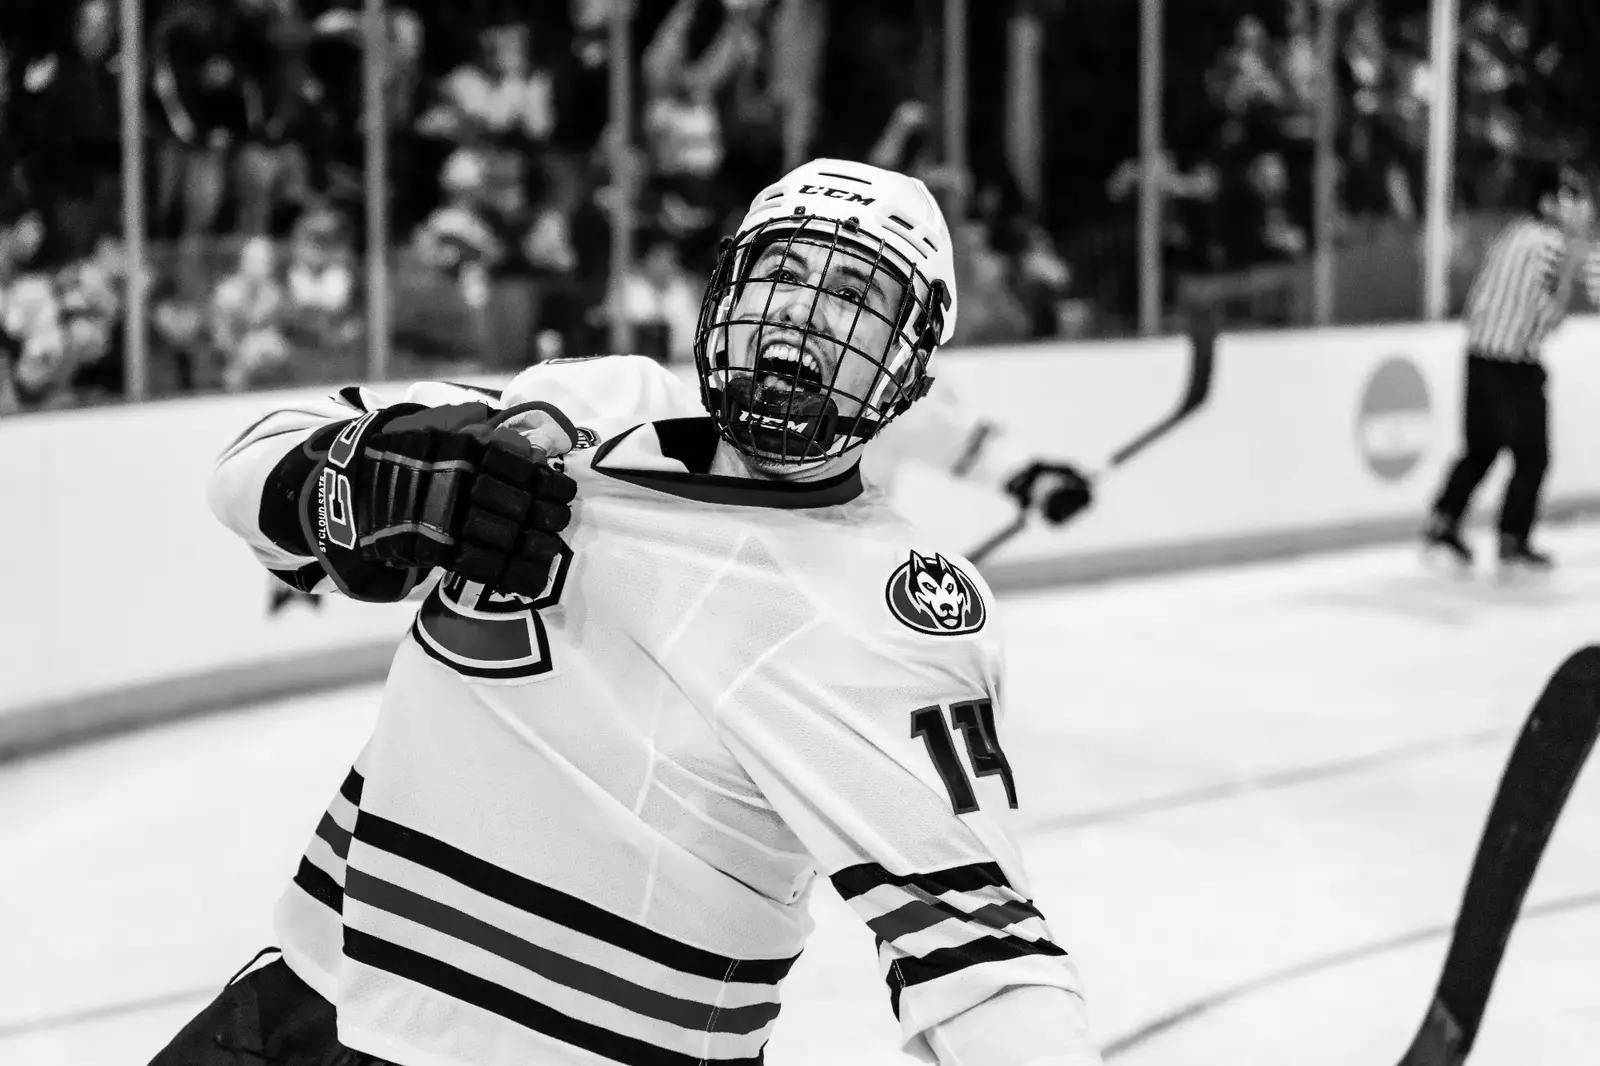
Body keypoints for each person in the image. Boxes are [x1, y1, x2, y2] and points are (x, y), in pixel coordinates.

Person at [158, 158, 1101, 1066]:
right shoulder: (579, 410)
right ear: (724, 287)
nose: (805, 313)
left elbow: (988, 961)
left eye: (856, 294)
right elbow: (244, 476)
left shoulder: (892, 611)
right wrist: (367, 478)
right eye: (782, 268)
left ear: (914, 371)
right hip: (303, 1010)